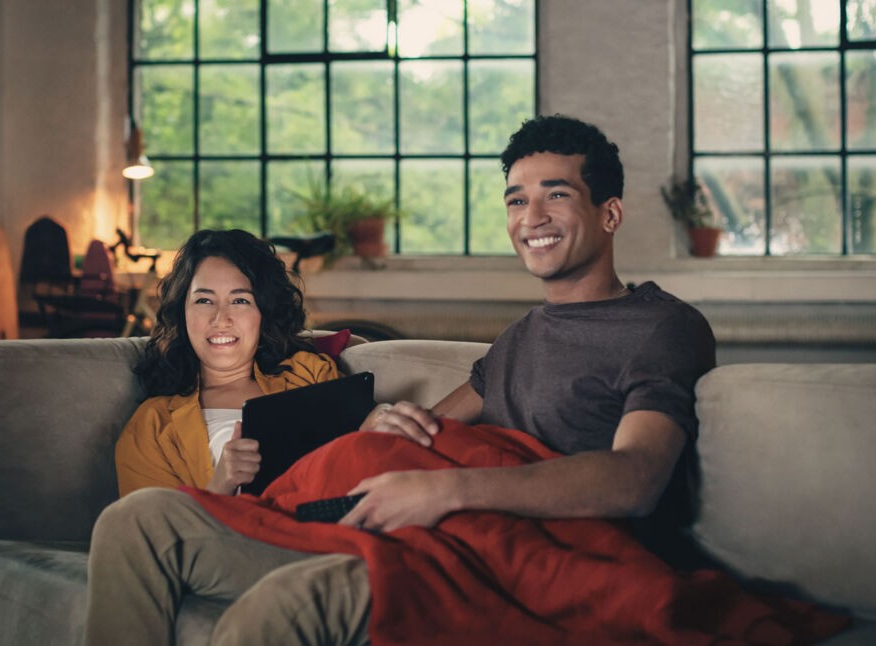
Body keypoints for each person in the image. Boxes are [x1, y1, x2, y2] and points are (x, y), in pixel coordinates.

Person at [84, 115, 715, 645]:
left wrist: (448, 493)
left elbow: (635, 479)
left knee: (287, 605)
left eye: (556, 194)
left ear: (610, 213)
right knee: (137, 520)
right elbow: (425, 433)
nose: (532, 216)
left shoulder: (660, 327)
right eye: (517, 199)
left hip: (514, 559)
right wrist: (377, 429)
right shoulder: (522, 336)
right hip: (423, 538)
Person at [115, 228, 341, 497]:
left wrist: (376, 419)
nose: (221, 319)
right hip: (225, 535)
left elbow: (349, 463)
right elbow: (152, 527)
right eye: (204, 300)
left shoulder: (308, 374)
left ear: (263, 314)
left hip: (315, 528)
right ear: (182, 313)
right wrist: (221, 484)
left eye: (240, 300)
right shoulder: (153, 424)